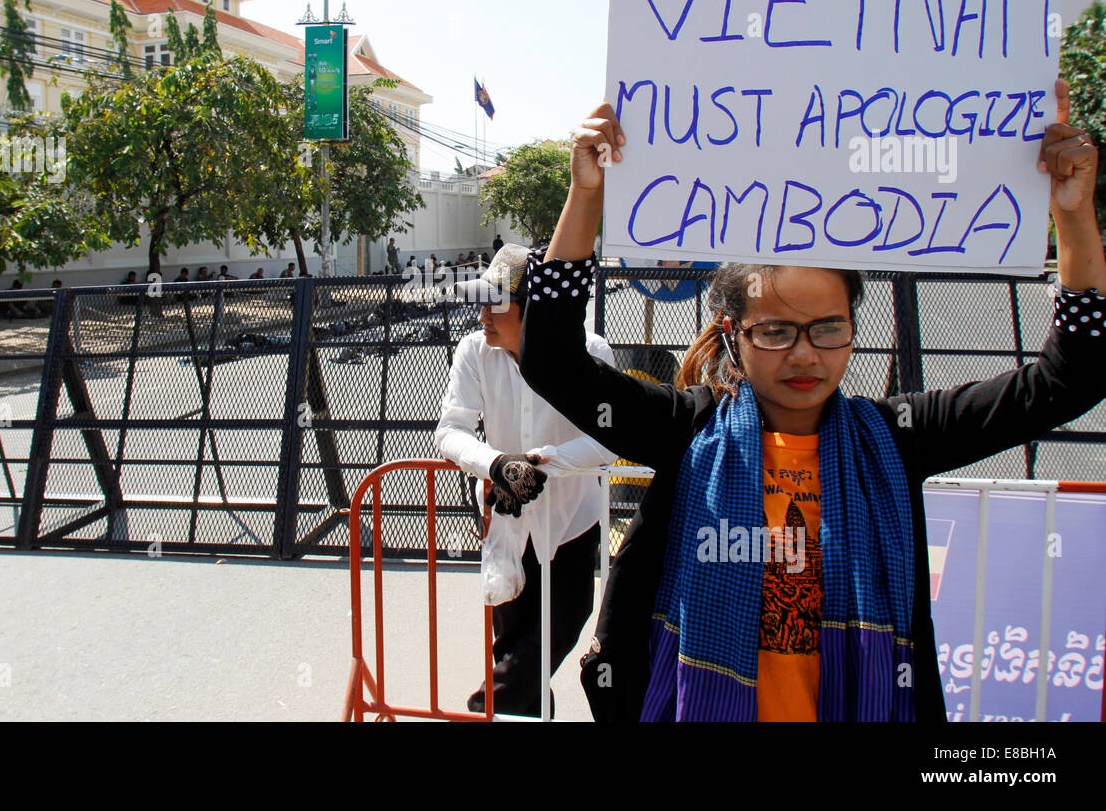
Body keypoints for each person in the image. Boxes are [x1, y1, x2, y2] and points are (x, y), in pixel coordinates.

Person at [516, 85, 1106, 722]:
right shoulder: (688, 432)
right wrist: (586, 197)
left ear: (853, 325)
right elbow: (553, 363)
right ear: (732, 336)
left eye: (827, 328)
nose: (804, 356)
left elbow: (1067, 380)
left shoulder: (901, 437)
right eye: (774, 331)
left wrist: (1071, 214)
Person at [435, 242, 618, 718]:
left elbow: (607, 437)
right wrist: (496, 465)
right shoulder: (474, 352)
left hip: (571, 524)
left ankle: (482, 709)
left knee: (560, 625)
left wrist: (540, 464)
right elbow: (450, 429)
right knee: (515, 648)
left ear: (534, 310)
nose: (482, 315)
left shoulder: (590, 351)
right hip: (505, 524)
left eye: (496, 304)